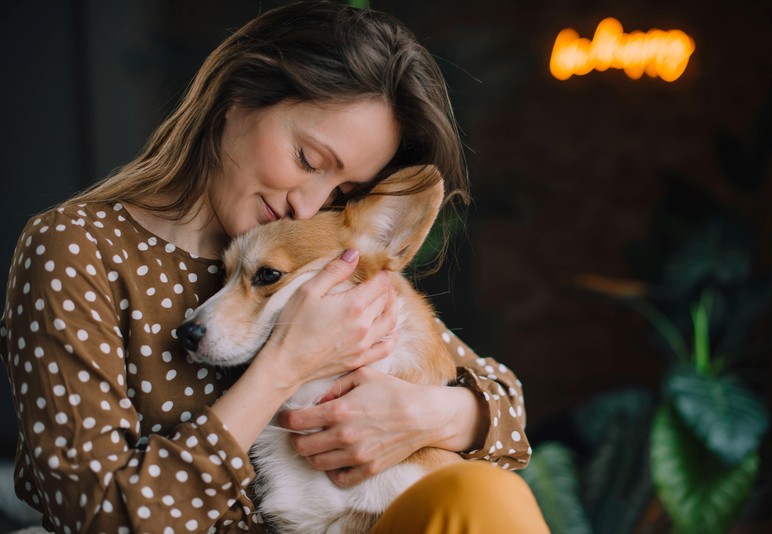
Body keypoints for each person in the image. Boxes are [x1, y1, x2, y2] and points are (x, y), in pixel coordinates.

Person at [1, 2, 549, 532]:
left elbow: (505, 410)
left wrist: (425, 416)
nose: (309, 206)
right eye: (308, 159)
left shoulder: (319, 249)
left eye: (343, 190)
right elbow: (97, 517)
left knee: (483, 495)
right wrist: (286, 367)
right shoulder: (78, 246)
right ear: (239, 95)